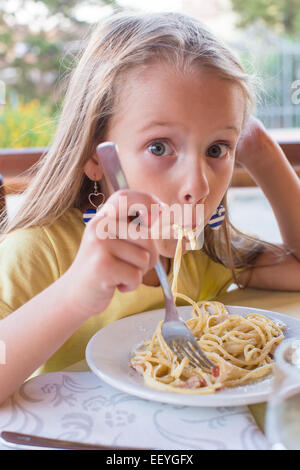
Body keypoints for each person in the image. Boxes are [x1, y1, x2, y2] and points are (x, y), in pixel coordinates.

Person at [0, 11, 299, 405]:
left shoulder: (206, 253)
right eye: (159, 147)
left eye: (216, 149)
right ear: (95, 156)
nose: (198, 185)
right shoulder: (38, 251)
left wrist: (263, 154)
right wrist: (75, 294)